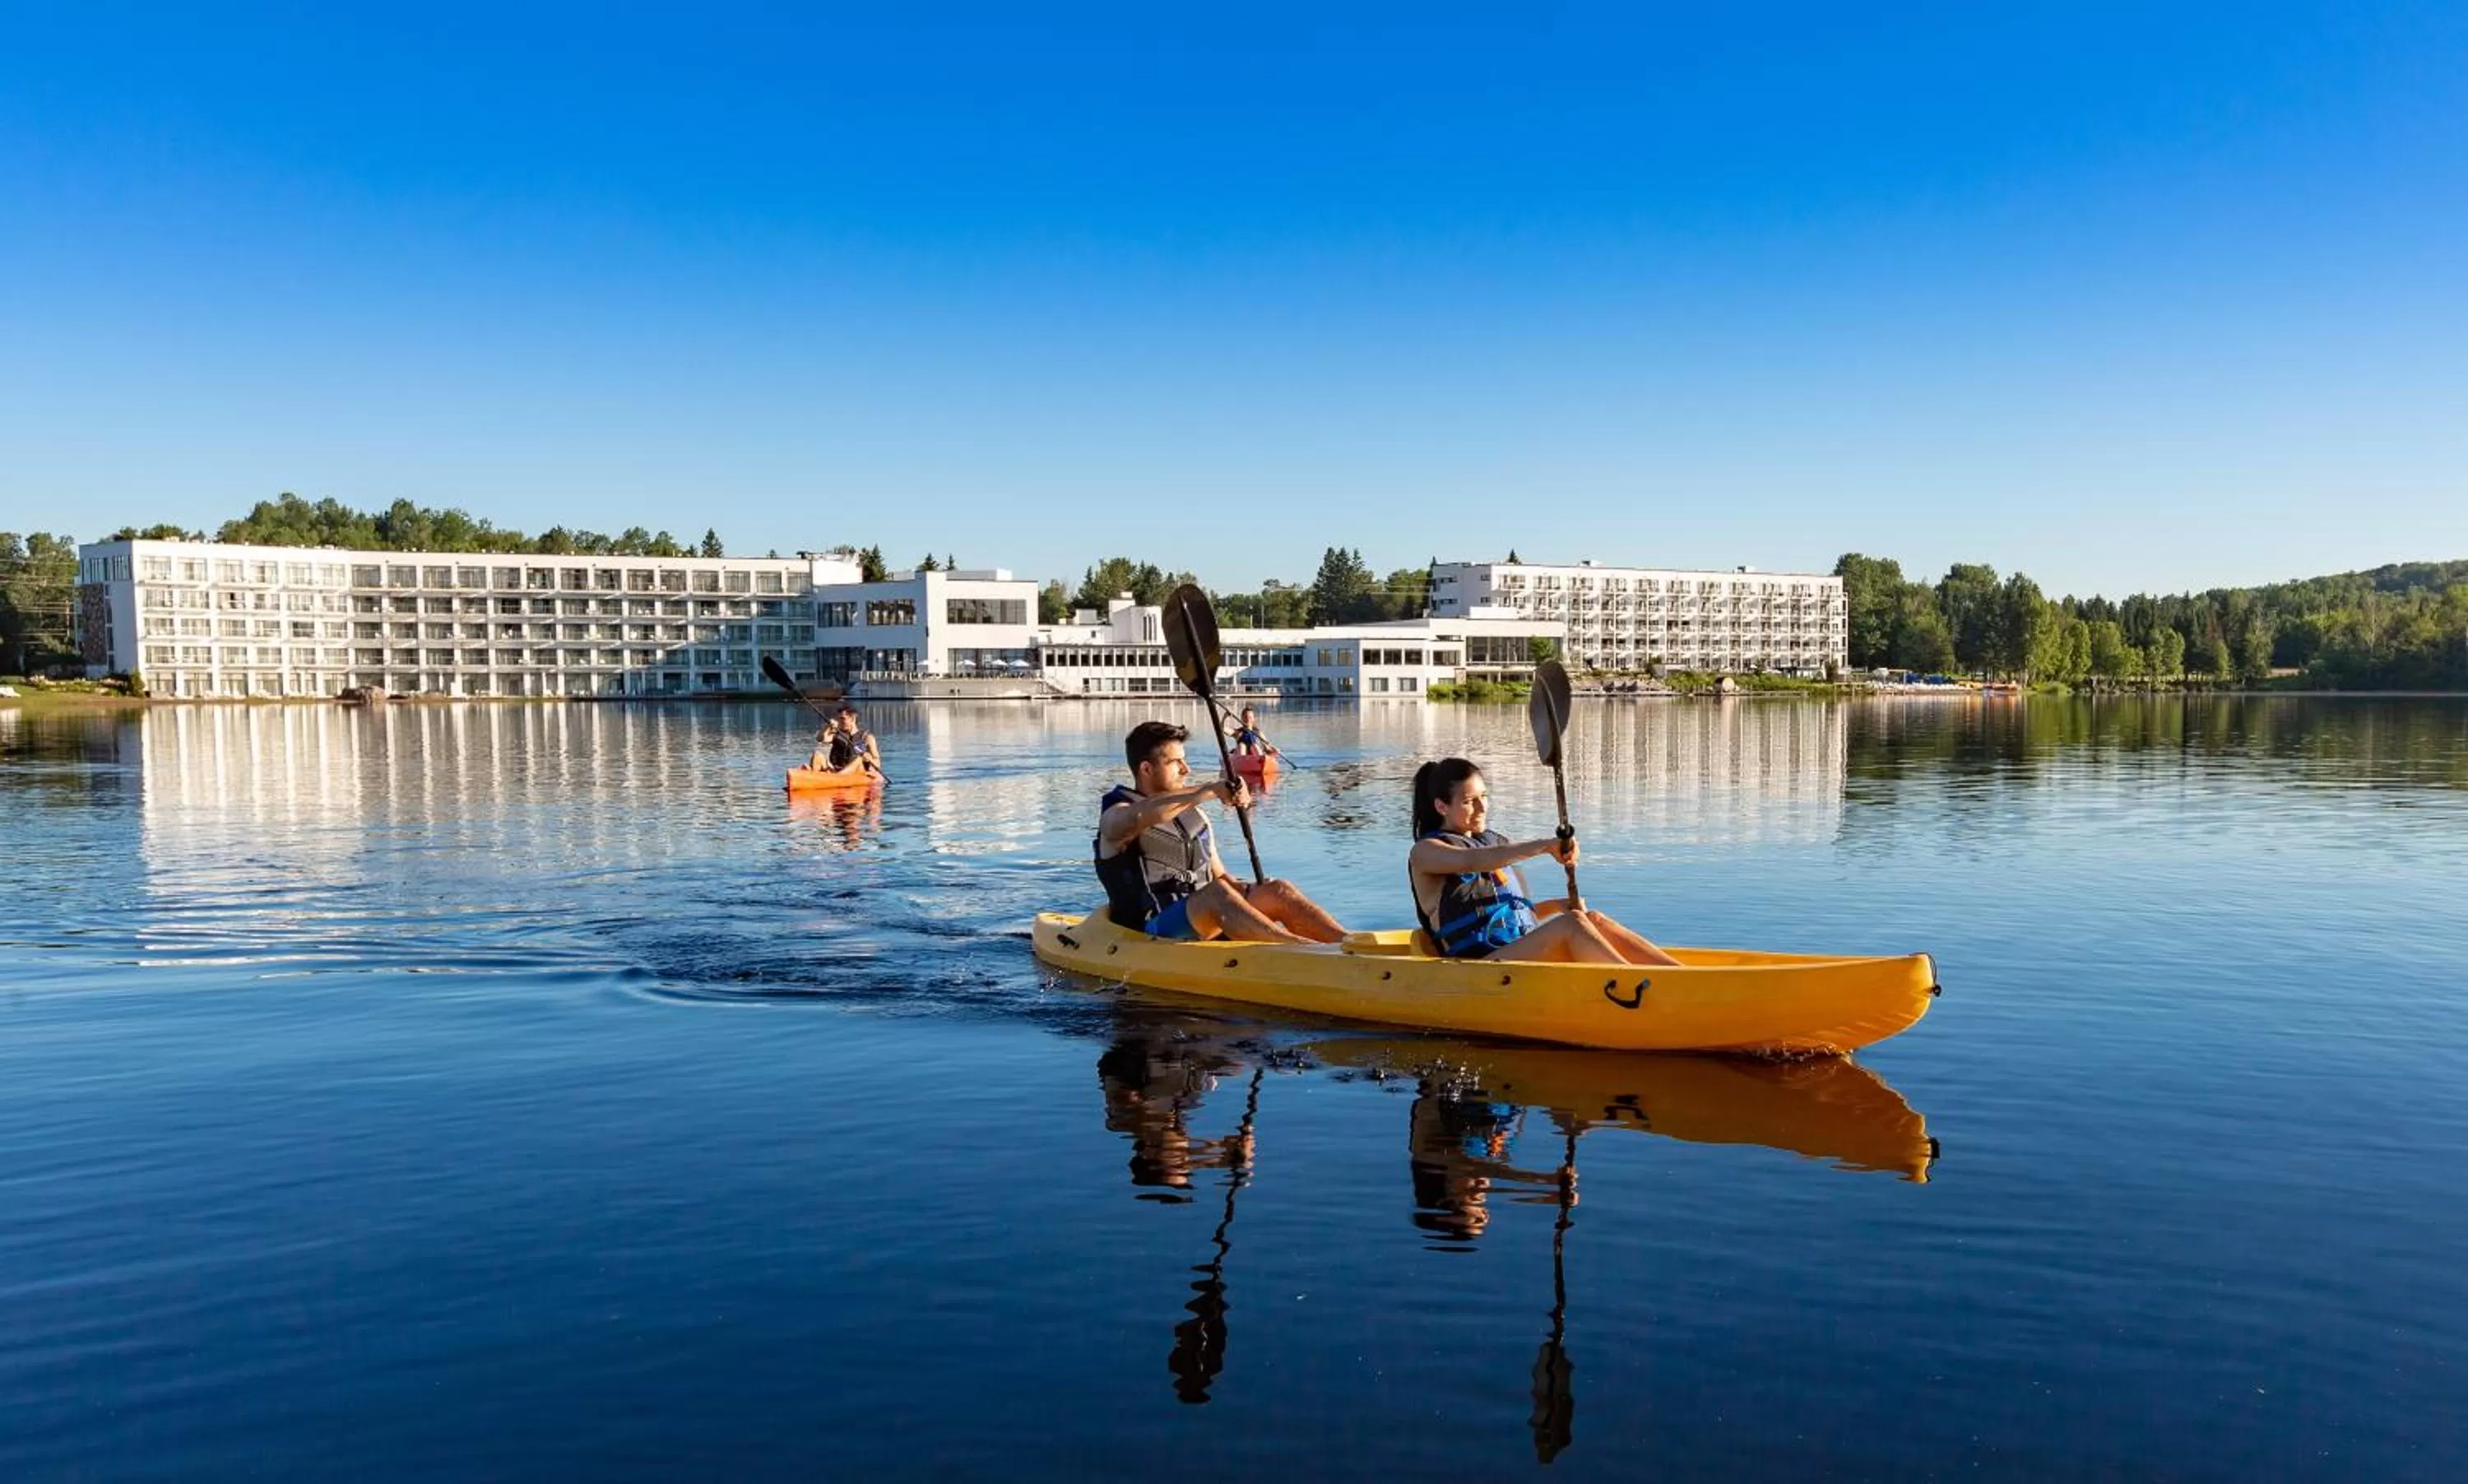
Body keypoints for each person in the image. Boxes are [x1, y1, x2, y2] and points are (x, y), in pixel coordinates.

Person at [1407, 758, 1680, 965]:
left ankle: (1676, 974)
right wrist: (1546, 846)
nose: (1482, 808)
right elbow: (1474, 861)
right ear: (1441, 806)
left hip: (1512, 951)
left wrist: (1558, 906)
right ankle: (1638, 985)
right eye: (1469, 801)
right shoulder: (1426, 852)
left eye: (1484, 797)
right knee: (1570, 927)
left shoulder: (1492, 841)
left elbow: (1506, 916)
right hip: (1474, 966)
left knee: (1588, 918)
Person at [1097, 721, 1347, 944]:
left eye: (1184, 760)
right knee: (1216, 895)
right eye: (1175, 762)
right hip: (1150, 929)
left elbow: (1224, 878)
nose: (1186, 769)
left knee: (1277, 890)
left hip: (1203, 916)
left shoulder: (1196, 817)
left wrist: (1252, 891)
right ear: (1146, 770)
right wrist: (1209, 791)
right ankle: (1299, 950)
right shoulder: (1116, 815)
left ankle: (1350, 945)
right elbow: (1141, 815)